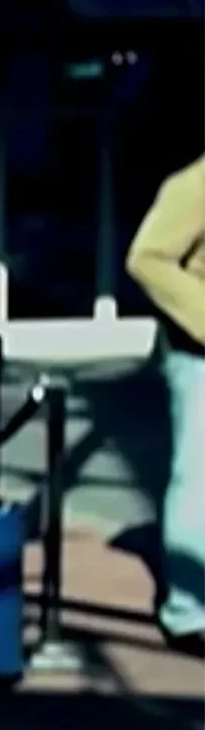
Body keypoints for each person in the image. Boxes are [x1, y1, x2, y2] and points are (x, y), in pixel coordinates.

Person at [125, 155, 205, 643]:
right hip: (198, 355)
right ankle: (189, 613)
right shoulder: (197, 182)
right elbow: (147, 257)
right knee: (199, 482)